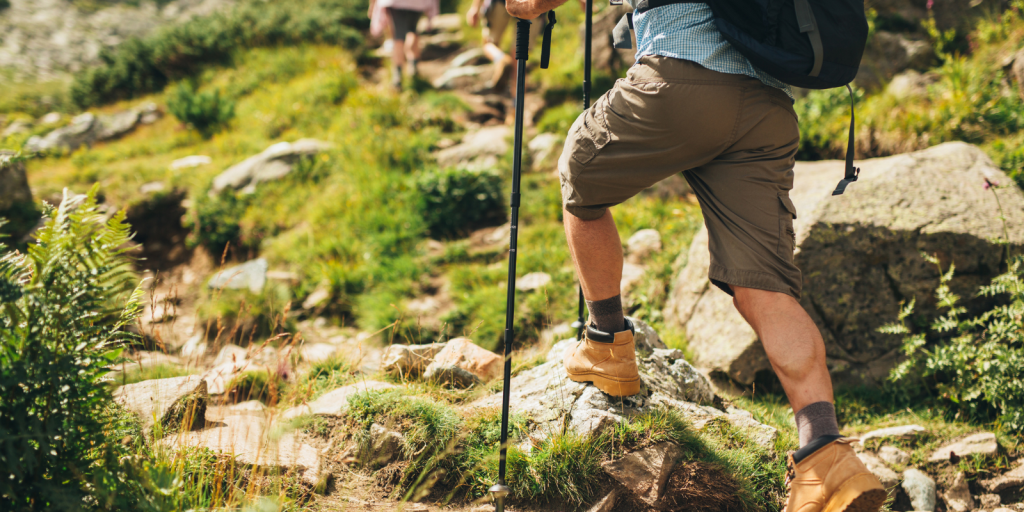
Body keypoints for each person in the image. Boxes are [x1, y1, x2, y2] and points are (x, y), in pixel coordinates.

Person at [504, 0, 887, 510]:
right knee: (765, 290)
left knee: (580, 169)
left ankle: (608, 343)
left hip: (682, 77)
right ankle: (826, 455)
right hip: (765, 110)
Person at [466, 0, 545, 121]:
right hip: (532, 4)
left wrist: (475, 7)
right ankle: (515, 112)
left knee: (488, 43)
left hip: (500, 3)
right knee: (519, 60)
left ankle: (500, 58)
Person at [370, 0, 439, 90]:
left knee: (398, 36)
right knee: (412, 30)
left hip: (395, 3)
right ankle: (413, 68)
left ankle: (397, 77)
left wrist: (372, 4)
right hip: (417, 3)